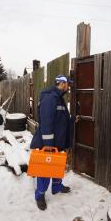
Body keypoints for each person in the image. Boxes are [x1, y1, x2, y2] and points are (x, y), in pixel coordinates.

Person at [30, 75, 75, 210]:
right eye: (68, 85)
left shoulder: (59, 98)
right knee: (45, 169)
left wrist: (72, 120)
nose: (69, 88)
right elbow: (47, 122)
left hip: (59, 141)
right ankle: (40, 195)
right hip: (48, 142)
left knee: (58, 165)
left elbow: (60, 120)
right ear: (62, 84)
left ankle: (56, 186)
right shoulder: (50, 98)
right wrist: (48, 144)